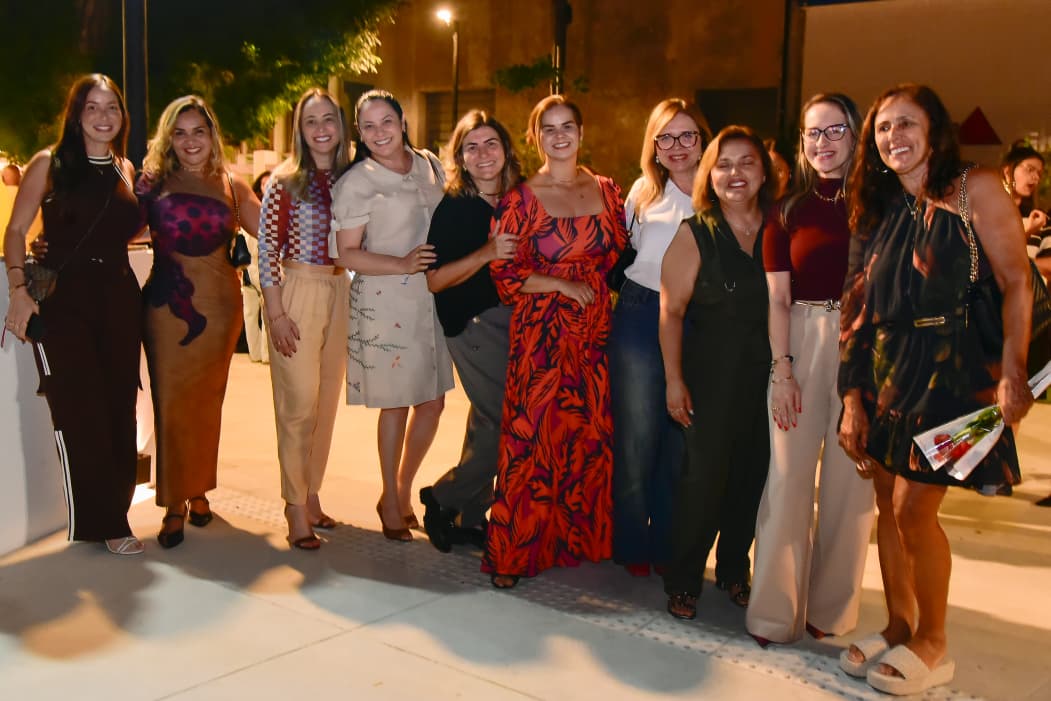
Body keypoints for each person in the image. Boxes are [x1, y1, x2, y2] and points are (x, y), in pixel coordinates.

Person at [838, 84, 1032, 695]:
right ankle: (899, 625)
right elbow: (856, 307)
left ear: (934, 130)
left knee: (913, 509)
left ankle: (934, 641)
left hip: (959, 375)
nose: (893, 136)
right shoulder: (879, 206)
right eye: (883, 128)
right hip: (890, 370)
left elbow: (1017, 281)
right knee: (887, 503)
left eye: (906, 124)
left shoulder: (975, 189)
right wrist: (851, 397)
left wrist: (1014, 370)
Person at [483, 95, 628, 588]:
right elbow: (504, 274)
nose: (559, 135)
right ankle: (514, 552)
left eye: (568, 126)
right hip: (541, 335)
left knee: (587, 437)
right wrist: (561, 284)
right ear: (536, 137)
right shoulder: (520, 200)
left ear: (581, 133)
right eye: (549, 128)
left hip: (593, 333)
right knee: (533, 439)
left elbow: (618, 255)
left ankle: (573, 540)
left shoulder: (607, 190)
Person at [746, 93, 875, 647]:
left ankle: (832, 609)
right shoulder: (786, 211)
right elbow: (777, 299)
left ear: (856, 134)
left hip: (864, 347)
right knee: (787, 480)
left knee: (852, 485)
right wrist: (783, 371)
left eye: (835, 130)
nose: (823, 142)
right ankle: (773, 613)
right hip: (799, 340)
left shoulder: (881, 206)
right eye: (812, 132)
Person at [2, 74, 144, 555]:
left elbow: (118, 228)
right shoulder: (50, 163)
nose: (104, 117)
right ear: (76, 115)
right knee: (80, 411)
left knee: (121, 409)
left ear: (122, 116)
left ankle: (118, 512)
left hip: (120, 299)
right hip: (67, 304)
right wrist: (18, 289)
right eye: (92, 108)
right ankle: (104, 522)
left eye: (112, 108)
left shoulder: (125, 168)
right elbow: (16, 231)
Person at [660, 125, 775, 619]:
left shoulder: (778, 228)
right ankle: (684, 579)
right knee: (702, 483)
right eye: (724, 165)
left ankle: (733, 571)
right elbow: (671, 312)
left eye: (747, 162)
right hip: (710, 379)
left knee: (751, 479)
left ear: (764, 172)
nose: (735, 173)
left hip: (767, 379)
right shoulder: (696, 232)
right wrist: (673, 380)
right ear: (710, 174)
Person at [137, 95, 261, 549]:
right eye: (180, 133)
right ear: (168, 138)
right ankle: (174, 501)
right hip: (166, 308)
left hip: (221, 308)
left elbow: (272, 230)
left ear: (212, 136)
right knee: (171, 404)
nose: (190, 141)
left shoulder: (232, 183)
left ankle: (199, 490)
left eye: (199, 131)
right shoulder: (151, 183)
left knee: (209, 403)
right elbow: (115, 228)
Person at [330, 90, 452, 542]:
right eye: (369, 126)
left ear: (403, 121)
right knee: (397, 402)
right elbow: (346, 253)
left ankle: (399, 488)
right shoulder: (356, 182)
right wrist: (401, 263)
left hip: (433, 296)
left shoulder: (428, 164)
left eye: (387, 121)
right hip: (385, 300)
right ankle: (389, 496)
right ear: (359, 133)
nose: (380, 132)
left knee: (433, 402)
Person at [609, 98, 711, 577]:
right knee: (637, 436)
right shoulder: (643, 192)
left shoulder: (720, 192)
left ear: (703, 140)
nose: (676, 146)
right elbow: (628, 249)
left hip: (698, 321)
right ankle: (632, 543)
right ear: (653, 145)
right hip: (640, 312)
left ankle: (669, 544)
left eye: (687, 135)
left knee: (681, 442)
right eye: (665, 137)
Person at [419, 110, 522, 552]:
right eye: (471, 147)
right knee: (506, 423)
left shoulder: (517, 198)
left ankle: (468, 515)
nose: (482, 154)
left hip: (514, 321)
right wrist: (487, 252)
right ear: (460, 157)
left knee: (486, 420)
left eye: (490, 144)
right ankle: (444, 497)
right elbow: (435, 280)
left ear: (506, 150)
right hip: (474, 324)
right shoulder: (456, 207)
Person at [258, 89, 351, 550]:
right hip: (298, 289)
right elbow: (265, 250)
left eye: (328, 119)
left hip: (340, 288)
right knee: (298, 403)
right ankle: (294, 506)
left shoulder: (353, 178)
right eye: (310, 121)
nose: (320, 129)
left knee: (326, 402)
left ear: (341, 124)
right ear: (299, 129)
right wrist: (275, 311)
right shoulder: (285, 181)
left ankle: (311, 492)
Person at [1000, 141, 1050, 282]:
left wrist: (1020, 264)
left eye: (1039, 173)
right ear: (1007, 171)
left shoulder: (1039, 218)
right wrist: (1027, 232)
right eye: (1030, 169)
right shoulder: (987, 213)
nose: (1036, 177)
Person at [241, 170, 271, 364]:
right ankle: (264, 354)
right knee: (260, 311)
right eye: (264, 183)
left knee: (252, 312)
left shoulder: (249, 208)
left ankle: (258, 353)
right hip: (259, 264)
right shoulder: (265, 211)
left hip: (251, 265)